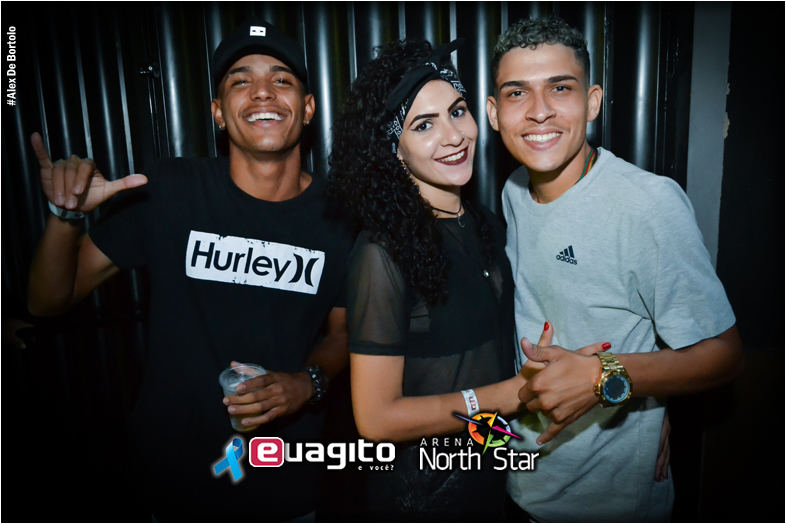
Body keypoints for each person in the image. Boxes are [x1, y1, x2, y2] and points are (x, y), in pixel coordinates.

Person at [27, 19, 355, 522]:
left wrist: (305, 383)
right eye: (241, 81)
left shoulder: (341, 217)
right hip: (170, 483)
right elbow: (48, 301)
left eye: (281, 79)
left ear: (307, 108)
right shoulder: (170, 190)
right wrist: (65, 215)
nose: (262, 92)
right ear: (218, 112)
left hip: (283, 485)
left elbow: (343, 332)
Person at [329, 39, 609, 521]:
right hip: (420, 498)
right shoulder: (382, 253)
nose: (454, 135)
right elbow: (374, 419)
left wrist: (642, 417)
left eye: (457, 112)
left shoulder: (487, 224)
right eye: (424, 125)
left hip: (490, 480)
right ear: (393, 149)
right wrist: (509, 395)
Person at [485, 15, 744, 522]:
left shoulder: (647, 205)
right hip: (524, 482)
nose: (539, 111)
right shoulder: (513, 190)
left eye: (560, 88)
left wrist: (606, 376)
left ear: (593, 102)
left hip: (612, 501)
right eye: (517, 93)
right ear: (494, 113)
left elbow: (724, 356)